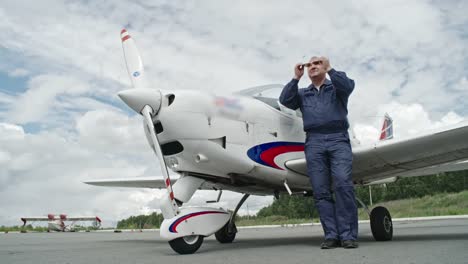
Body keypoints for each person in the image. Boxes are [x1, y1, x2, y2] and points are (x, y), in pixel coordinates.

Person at [279, 56, 358, 249]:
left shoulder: (337, 87)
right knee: (320, 190)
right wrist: (295, 78)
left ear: (324, 66)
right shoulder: (302, 93)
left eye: (317, 64)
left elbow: (348, 86)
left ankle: (348, 235)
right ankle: (331, 235)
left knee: (342, 182)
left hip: (338, 138)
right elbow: (285, 100)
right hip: (314, 141)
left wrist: (330, 68)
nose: (312, 67)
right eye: (309, 65)